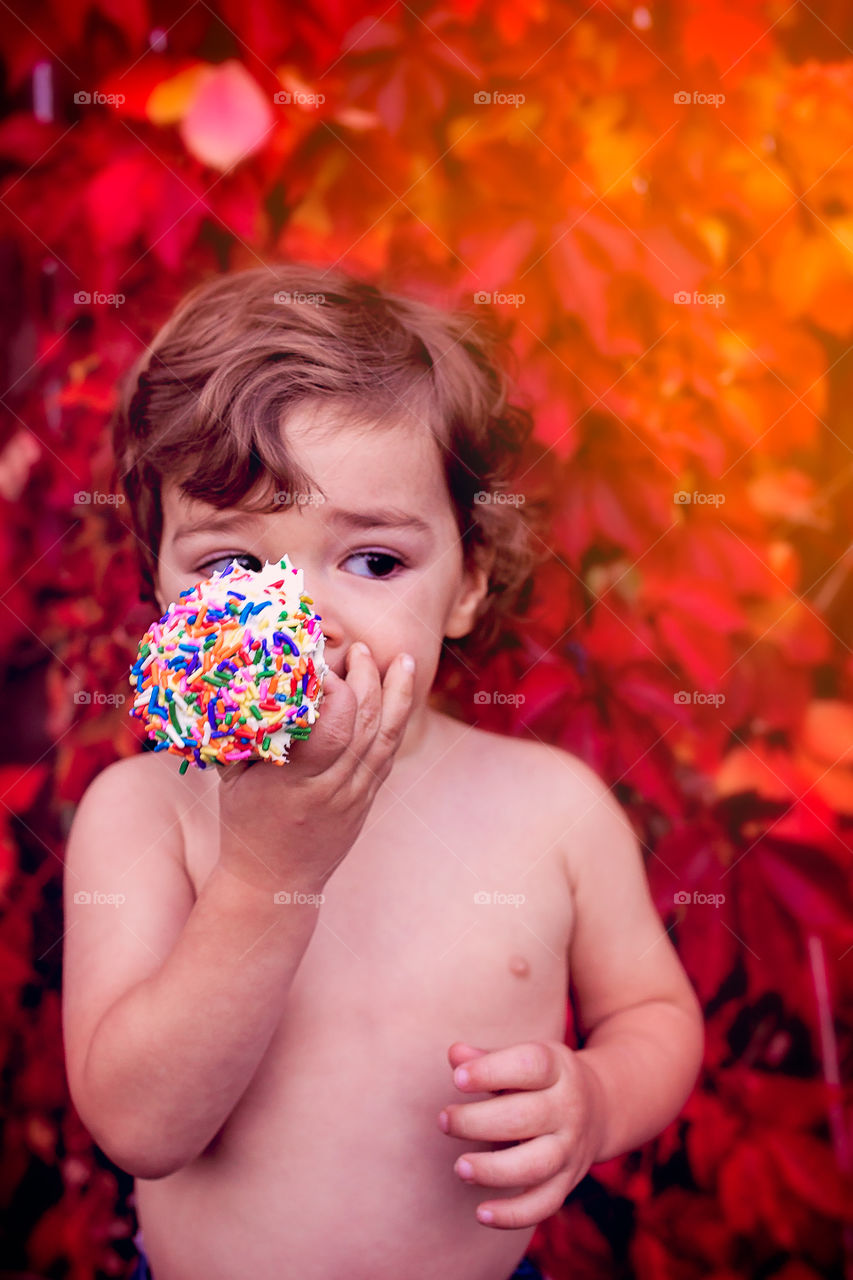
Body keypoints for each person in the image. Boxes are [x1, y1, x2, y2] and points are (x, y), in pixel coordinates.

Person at [61, 264, 704, 1280]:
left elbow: (653, 1016)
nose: (295, 614)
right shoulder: (144, 812)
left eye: (371, 561)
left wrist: (596, 1097)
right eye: (232, 567)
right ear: (159, 586)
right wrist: (266, 868)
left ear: (468, 582)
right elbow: (142, 1125)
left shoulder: (551, 811)